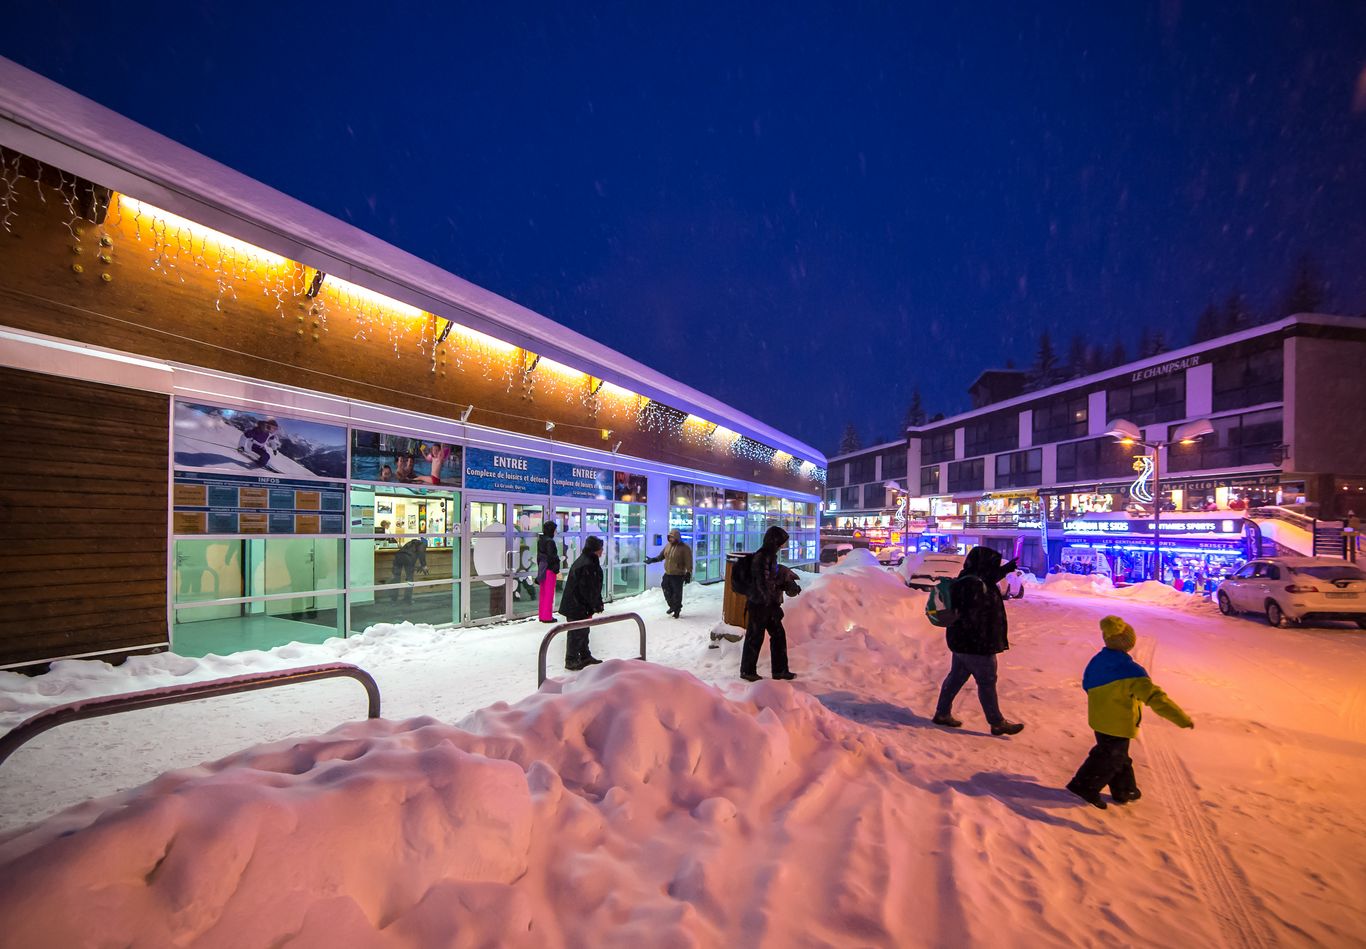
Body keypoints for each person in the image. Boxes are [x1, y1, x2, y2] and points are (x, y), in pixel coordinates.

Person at [1066, 616, 1193, 809]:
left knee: (1117, 755)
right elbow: (1156, 699)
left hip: (1099, 719)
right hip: (1119, 724)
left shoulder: (1097, 661)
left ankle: (1125, 789)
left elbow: (1087, 684)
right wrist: (1181, 718)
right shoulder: (1132, 672)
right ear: (1128, 644)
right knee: (1109, 757)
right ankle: (1084, 786)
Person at [932, 546, 1025, 735]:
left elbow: (987, 579)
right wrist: (986, 640)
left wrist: (1005, 570)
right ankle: (997, 722)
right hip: (976, 644)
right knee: (987, 681)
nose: (993, 568)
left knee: (956, 677)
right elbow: (974, 615)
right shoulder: (972, 584)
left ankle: (942, 713)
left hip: (963, 642)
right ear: (984, 564)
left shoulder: (971, 578)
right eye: (992, 564)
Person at [740, 526, 803, 682]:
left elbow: (770, 581)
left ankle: (780, 670)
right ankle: (747, 671)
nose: (783, 545)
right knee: (755, 637)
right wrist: (770, 605)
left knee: (778, 635)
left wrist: (784, 585)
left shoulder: (770, 556)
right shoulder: (762, 557)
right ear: (774, 541)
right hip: (759, 604)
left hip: (766, 603)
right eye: (782, 542)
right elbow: (761, 583)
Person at [558, 535, 605, 670]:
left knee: (583, 630)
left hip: (579, 604)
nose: (602, 551)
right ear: (596, 549)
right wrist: (595, 604)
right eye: (601, 548)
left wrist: (595, 603)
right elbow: (587, 589)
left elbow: (592, 587)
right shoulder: (587, 564)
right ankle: (571, 659)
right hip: (576, 605)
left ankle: (585, 655)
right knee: (576, 633)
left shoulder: (589, 560)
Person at [646, 529, 694, 617]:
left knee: (677, 593)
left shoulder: (685, 548)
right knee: (665, 588)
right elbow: (661, 556)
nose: (671, 539)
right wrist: (653, 560)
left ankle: (677, 610)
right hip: (668, 573)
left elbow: (688, 561)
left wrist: (688, 572)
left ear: (677, 538)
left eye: (672, 537)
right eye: (670, 537)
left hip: (678, 574)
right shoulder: (668, 546)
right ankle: (672, 606)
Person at [389, 537, 429, 604]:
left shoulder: (410, 543)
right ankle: (407, 599)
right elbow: (421, 553)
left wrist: (418, 565)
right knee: (410, 579)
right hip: (408, 559)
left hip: (398, 557)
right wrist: (424, 565)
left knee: (396, 578)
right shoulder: (423, 544)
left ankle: (393, 599)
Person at [537, 520, 562, 623]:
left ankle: (542, 615)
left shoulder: (541, 540)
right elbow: (552, 557)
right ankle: (547, 616)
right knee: (549, 593)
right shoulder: (550, 542)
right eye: (555, 529)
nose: (556, 531)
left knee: (543, 593)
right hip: (549, 570)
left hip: (542, 569)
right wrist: (556, 568)